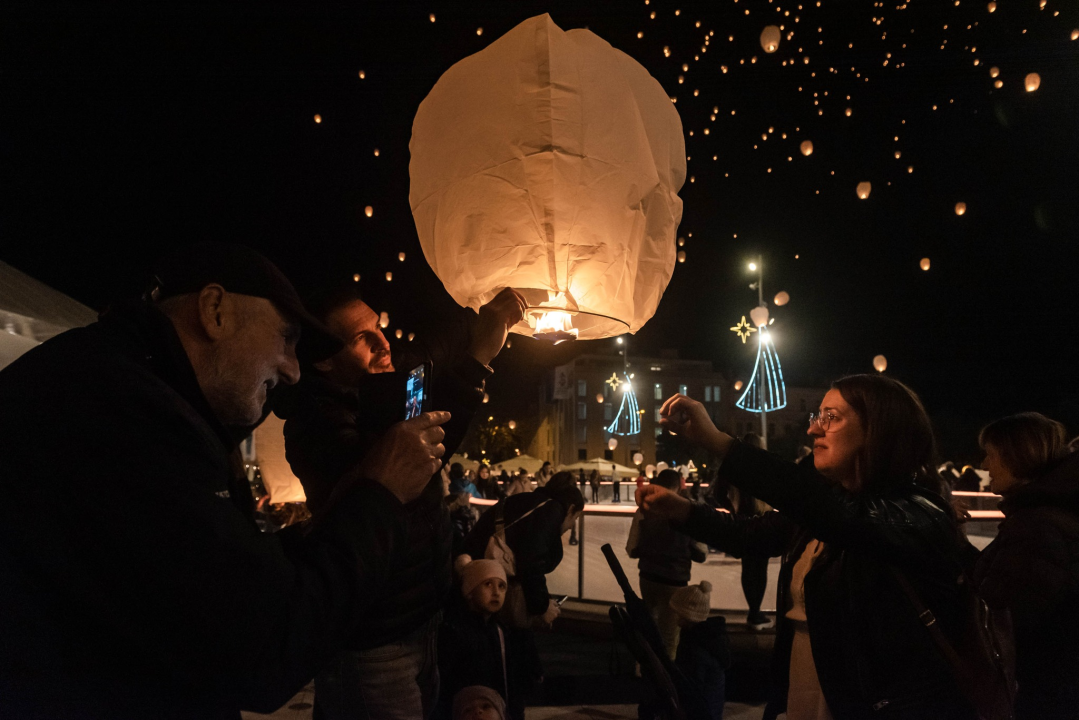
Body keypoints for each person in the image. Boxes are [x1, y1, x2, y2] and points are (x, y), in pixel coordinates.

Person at [0, 244, 451, 719]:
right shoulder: (120, 414)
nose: (293, 370)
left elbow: (226, 575)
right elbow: (263, 648)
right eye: (285, 339)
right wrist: (378, 492)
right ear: (214, 311)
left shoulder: (127, 388)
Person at [637, 375, 976, 720]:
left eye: (831, 417)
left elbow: (824, 506)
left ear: (880, 429)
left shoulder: (917, 513)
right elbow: (753, 534)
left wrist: (719, 442)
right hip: (805, 692)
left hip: (879, 706)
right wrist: (683, 511)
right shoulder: (830, 506)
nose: (814, 429)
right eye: (817, 416)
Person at [275, 280, 525, 720]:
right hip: (374, 639)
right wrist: (479, 361)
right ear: (323, 359)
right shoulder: (317, 424)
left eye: (379, 328)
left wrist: (484, 315)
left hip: (423, 620)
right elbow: (418, 458)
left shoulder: (382, 387)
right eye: (361, 338)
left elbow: (429, 349)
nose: (383, 343)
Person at [975, 412, 1079, 718]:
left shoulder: (1037, 528)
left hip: (1038, 698)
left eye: (991, 455)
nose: (984, 465)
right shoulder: (1042, 518)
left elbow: (1002, 617)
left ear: (1018, 457)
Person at [461, 473, 584, 717]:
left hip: (477, 578)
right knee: (502, 651)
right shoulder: (550, 511)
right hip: (481, 581)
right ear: (570, 509)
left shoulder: (532, 503)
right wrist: (541, 607)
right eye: (576, 519)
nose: (572, 526)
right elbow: (532, 564)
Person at [626, 468, 708, 659]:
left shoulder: (644, 510)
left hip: (647, 576)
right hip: (675, 580)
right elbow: (701, 553)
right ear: (677, 487)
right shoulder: (687, 511)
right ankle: (665, 678)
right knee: (669, 636)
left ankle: (642, 668)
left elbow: (632, 549)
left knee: (648, 626)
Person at [437, 558, 511, 719]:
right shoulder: (453, 631)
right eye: (488, 584)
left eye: (501, 586)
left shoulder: (499, 630)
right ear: (469, 592)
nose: (496, 592)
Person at [670, 581, 730, 720]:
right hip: (709, 706)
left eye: (678, 614)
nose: (675, 617)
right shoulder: (704, 636)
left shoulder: (696, 648)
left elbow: (692, 687)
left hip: (702, 711)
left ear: (688, 615)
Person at [736, 433, 773, 631]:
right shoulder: (763, 469)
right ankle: (755, 613)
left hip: (743, 524)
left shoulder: (738, 469)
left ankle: (753, 610)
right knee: (760, 569)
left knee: (748, 568)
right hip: (762, 522)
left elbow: (721, 494)